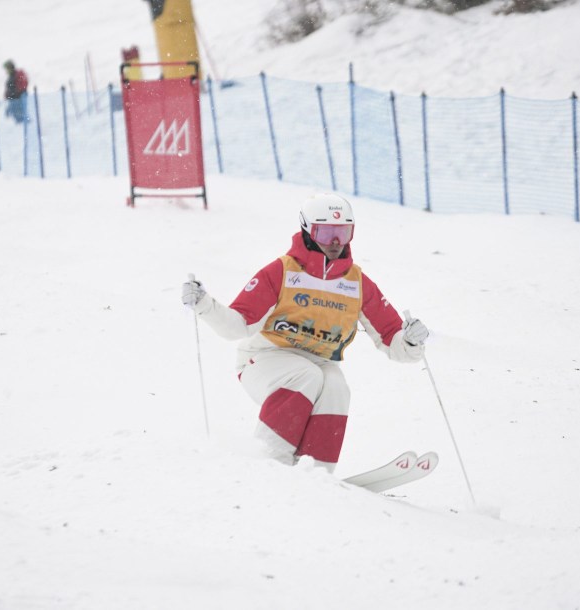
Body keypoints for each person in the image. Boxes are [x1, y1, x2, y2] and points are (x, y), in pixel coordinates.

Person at [182, 193, 430, 473]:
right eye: (326, 233)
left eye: (343, 233)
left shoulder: (356, 282)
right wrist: (204, 304)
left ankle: (317, 473)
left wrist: (410, 340)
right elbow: (237, 325)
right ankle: (269, 461)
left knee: (336, 387)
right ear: (307, 230)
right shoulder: (282, 272)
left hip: (320, 361)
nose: (335, 243)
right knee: (306, 376)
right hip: (264, 358)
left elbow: (392, 338)